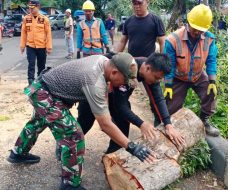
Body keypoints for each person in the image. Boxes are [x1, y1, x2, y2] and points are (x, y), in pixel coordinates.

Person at [7, 52, 155, 190]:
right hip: (44, 94)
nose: (125, 85)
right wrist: (131, 147)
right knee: (73, 135)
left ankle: (18, 153)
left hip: (43, 88)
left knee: (39, 121)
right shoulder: (95, 81)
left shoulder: (103, 61)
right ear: (114, 72)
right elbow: (105, 123)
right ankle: (70, 184)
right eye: (125, 81)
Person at [104, 53, 185, 154]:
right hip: (94, 85)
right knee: (87, 120)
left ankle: (111, 155)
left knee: (123, 123)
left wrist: (168, 124)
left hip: (116, 93)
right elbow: (121, 106)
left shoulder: (150, 70)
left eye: (159, 79)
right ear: (147, 68)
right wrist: (141, 124)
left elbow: (159, 99)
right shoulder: (128, 69)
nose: (157, 81)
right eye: (156, 78)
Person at [163, 4, 220, 136]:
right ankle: (167, 126)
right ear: (188, 23)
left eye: (201, 31)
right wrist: (168, 85)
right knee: (171, 107)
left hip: (198, 75)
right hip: (178, 77)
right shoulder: (173, 39)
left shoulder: (209, 39)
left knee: (211, 92)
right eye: (195, 29)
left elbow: (211, 60)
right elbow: (169, 64)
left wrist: (212, 81)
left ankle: (204, 121)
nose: (197, 33)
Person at [20, 0, 52, 85]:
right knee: (31, 64)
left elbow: (48, 34)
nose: (30, 10)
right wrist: (22, 46)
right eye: (29, 8)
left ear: (38, 7)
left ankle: (40, 83)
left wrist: (49, 47)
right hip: (30, 46)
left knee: (41, 66)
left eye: (32, 8)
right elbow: (23, 33)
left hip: (42, 46)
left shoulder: (44, 19)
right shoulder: (26, 19)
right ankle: (30, 82)